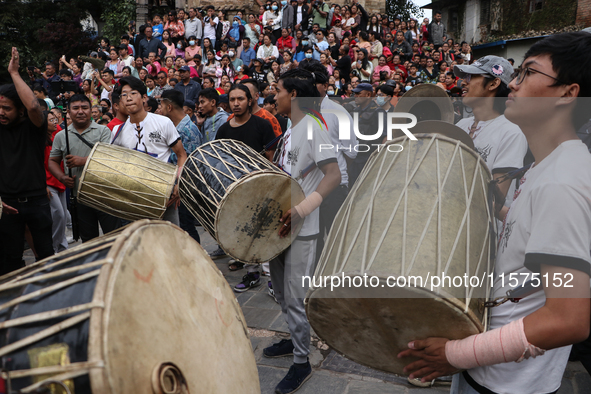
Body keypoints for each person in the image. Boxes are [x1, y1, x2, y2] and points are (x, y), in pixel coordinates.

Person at [400, 31, 591, 394]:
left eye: (526, 73)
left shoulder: (563, 182)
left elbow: (568, 319)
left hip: (507, 383)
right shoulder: (544, 168)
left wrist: (455, 353)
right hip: (488, 368)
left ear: (568, 93)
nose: (513, 85)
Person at [268, 68, 341, 394]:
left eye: (278, 90)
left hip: (302, 227)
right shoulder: (289, 127)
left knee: (295, 297)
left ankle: (302, 361)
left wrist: (301, 210)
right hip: (281, 226)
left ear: (294, 94)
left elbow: (333, 175)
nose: (274, 96)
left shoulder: (313, 128)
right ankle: (293, 338)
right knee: (281, 292)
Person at [453, 55, 528, 224]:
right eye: (464, 77)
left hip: (485, 236)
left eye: (471, 77)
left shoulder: (511, 132)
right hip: (452, 223)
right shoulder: (461, 125)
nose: (463, 82)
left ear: (493, 84)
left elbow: (495, 202)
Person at [0, 48, 54, 274]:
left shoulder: (34, 127)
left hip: (37, 202)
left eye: (6, 108)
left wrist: (14, 73)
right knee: (9, 262)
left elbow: (33, 106)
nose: (1, 113)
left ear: (20, 111)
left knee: (45, 259)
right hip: (7, 205)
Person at [111, 77, 187, 226]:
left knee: (171, 243)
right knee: (142, 245)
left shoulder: (163, 122)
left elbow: (181, 155)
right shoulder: (117, 132)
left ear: (144, 97)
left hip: (165, 196)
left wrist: (178, 184)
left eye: (133, 93)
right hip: (134, 200)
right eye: (124, 95)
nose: (128, 98)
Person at [49, 93, 121, 242]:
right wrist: (62, 178)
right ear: (68, 112)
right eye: (75, 108)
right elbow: (52, 161)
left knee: (114, 239)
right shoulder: (61, 136)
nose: (80, 111)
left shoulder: (103, 131)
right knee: (89, 241)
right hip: (79, 197)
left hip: (105, 194)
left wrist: (83, 161)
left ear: (91, 110)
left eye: (84, 107)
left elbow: (108, 158)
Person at [160, 89, 203, 244]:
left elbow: (191, 164)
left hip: (183, 189)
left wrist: (180, 187)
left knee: (186, 228)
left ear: (169, 107)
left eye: (162, 105)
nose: (160, 108)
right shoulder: (174, 126)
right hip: (175, 186)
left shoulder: (187, 129)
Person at [45, 110, 68, 253]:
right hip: (47, 182)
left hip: (60, 180)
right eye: (50, 120)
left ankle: (62, 247)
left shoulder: (58, 134)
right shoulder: (39, 140)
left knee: (63, 216)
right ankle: (52, 247)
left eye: (55, 119)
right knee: (58, 214)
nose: (55, 122)